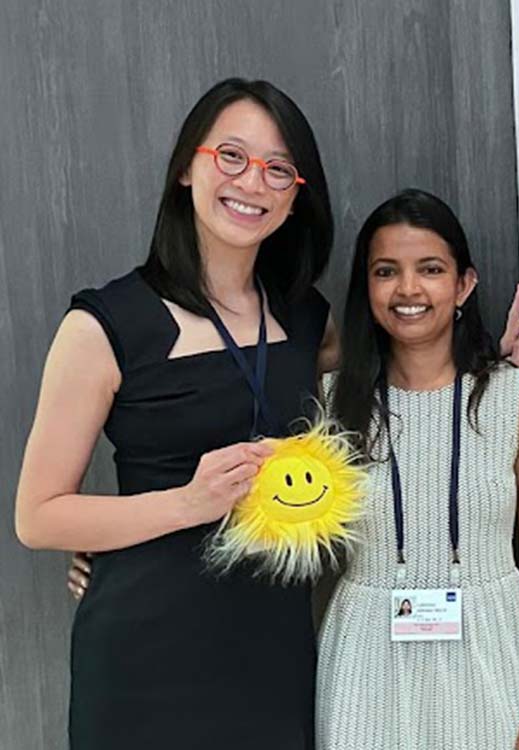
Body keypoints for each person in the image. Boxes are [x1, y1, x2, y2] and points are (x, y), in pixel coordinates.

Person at [15, 78, 337, 749]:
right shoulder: (106, 324)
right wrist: (186, 504)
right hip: (145, 656)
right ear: (187, 167)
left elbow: (390, 370)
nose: (253, 182)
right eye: (232, 156)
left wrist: (484, 353)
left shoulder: (306, 317)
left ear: (294, 197)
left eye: (278, 168)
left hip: (273, 649)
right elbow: (38, 517)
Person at [315, 190, 519, 750]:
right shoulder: (331, 405)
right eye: (386, 271)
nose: (408, 289)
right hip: (367, 662)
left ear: (464, 285)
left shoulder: (516, 400)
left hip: (493, 650)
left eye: (430, 269)